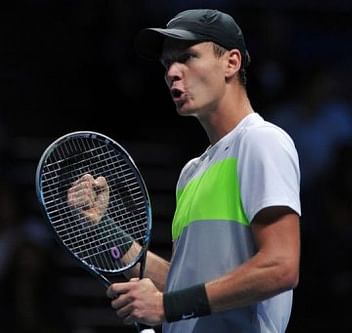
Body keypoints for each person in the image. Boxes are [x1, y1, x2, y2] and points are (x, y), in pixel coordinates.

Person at [68, 8, 301, 333]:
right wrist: (105, 230)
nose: (173, 73)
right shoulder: (191, 172)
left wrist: (166, 306)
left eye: (188, 57)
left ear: (231, 63)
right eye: (167, 64)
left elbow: (281, 267)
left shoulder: (262, 142)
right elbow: (182, 284)